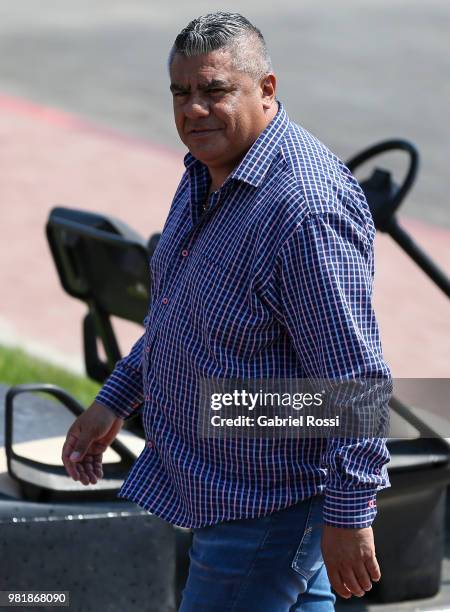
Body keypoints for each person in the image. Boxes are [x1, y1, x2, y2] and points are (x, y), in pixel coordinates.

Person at [61, 12, 392, 611]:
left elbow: (355, 382)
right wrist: (116, 398)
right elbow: (179, 315)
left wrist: (349, 513)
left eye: (214, 91)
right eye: (181, 93)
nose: (193, 110)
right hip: (228, 498)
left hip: (267, 512)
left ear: (266, 89)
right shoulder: (207, 173)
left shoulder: (304, 212)